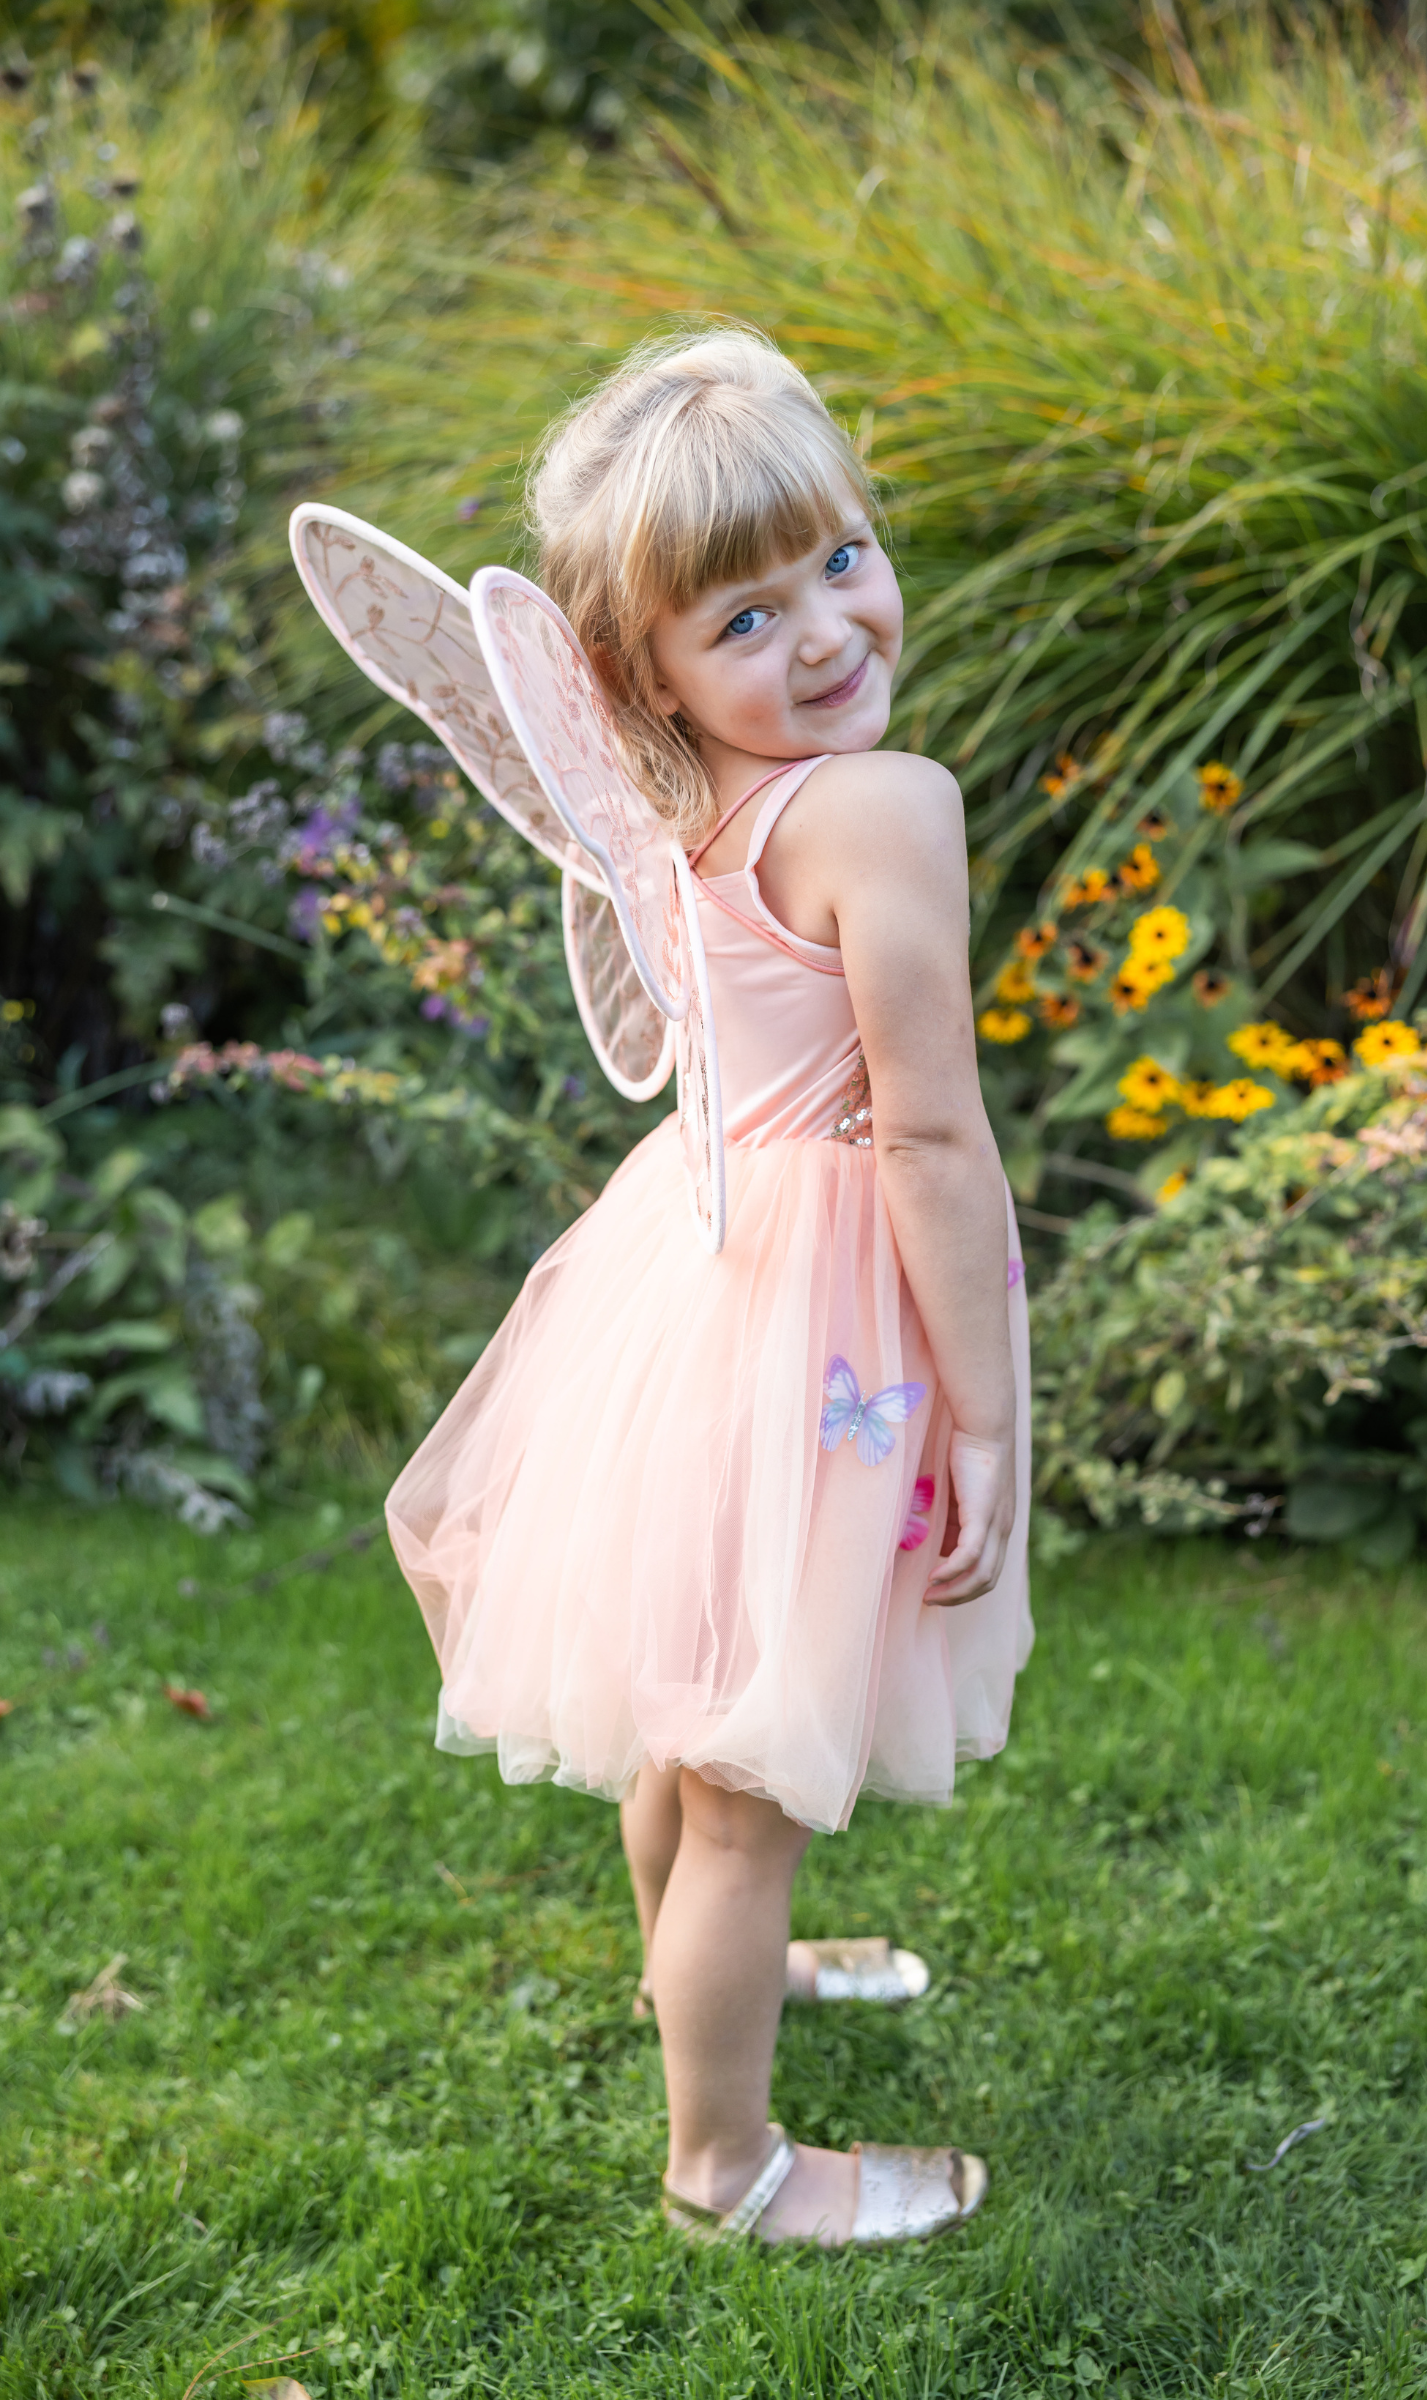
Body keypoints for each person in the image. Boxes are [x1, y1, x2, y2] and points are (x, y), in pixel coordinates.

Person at [387, 328, 1033, 2247]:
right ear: (638, 675)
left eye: (839, 558)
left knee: (689, 1696)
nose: (827, 633)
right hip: (829, 1318)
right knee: (756, 1768)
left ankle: (697, 1955)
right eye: (745, 618)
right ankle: (728, 2164)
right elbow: (928, 1137)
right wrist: (985, 1412)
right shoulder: (881, 805)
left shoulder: (691, 804)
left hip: (693, 1282)